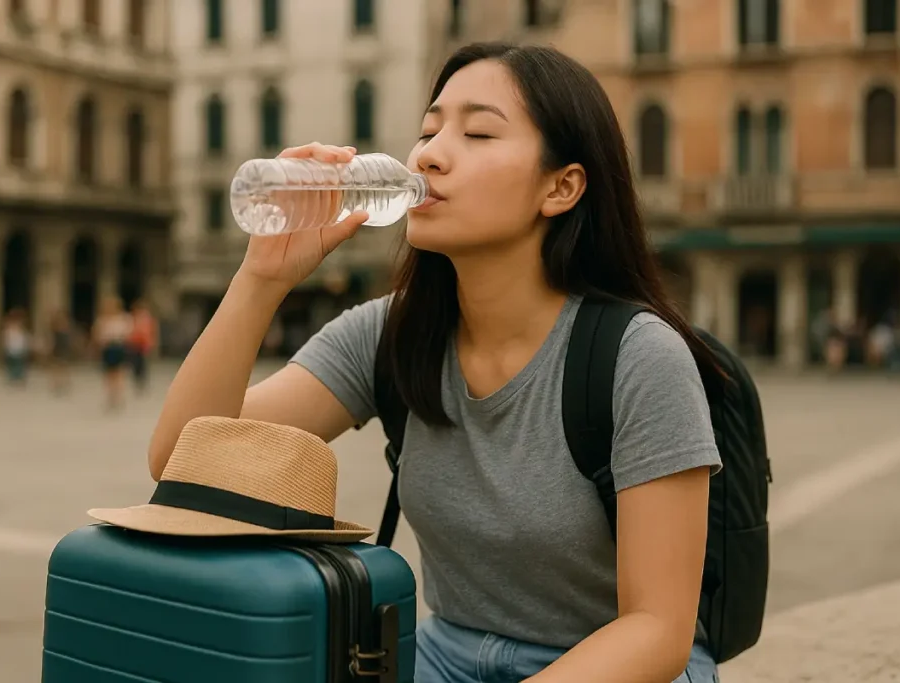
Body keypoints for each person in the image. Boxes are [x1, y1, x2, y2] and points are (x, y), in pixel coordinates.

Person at [148, 43, 723, 683]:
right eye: (429, 130)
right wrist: (261, 278)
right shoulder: (391, 333)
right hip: (445, 657)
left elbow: (657, 631)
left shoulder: (637, 356)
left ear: (562, 187)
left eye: (477, 132)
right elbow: (183, 463)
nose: (428, 154)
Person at [93, 296, 132, 411]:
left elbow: (127, 333)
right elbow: (97, 334)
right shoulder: (102, 319)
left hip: (118, 347)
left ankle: (118, 395)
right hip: (108, 348)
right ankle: (111, 395)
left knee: (119, 372)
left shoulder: (123, 318)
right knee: (109, 373)